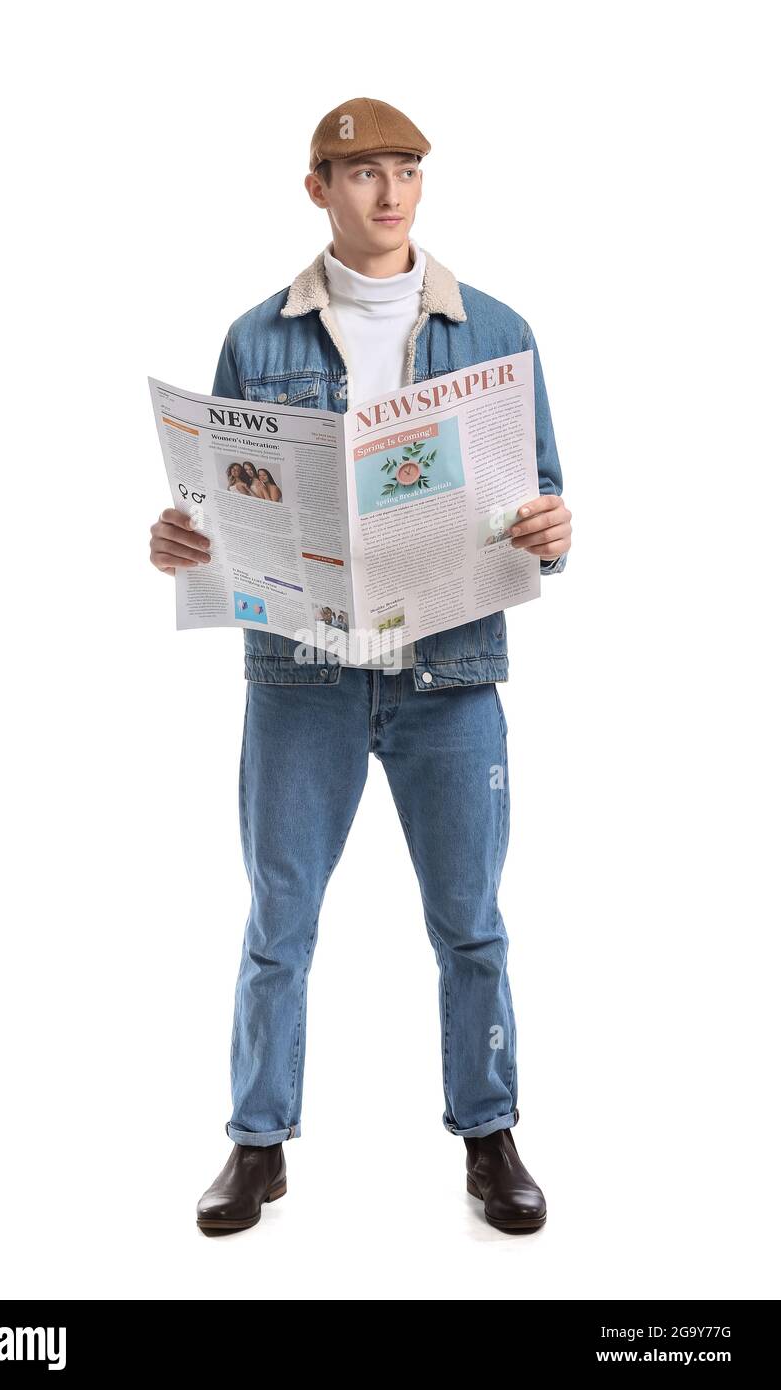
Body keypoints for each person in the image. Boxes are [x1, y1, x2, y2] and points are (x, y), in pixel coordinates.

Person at [148, 96, 572, 1237]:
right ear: (317, 189)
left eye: (404, 170)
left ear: (421, 184)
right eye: (359, 173)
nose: (386, 193)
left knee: (469, 921)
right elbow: (223, 501)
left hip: (449, 674)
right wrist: (180, 539)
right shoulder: (258, 337)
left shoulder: (495, 330)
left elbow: (546, 497)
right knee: (277, 917)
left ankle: (489, 1136)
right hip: (302, 677)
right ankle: (255, 1145)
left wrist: (549, 530)